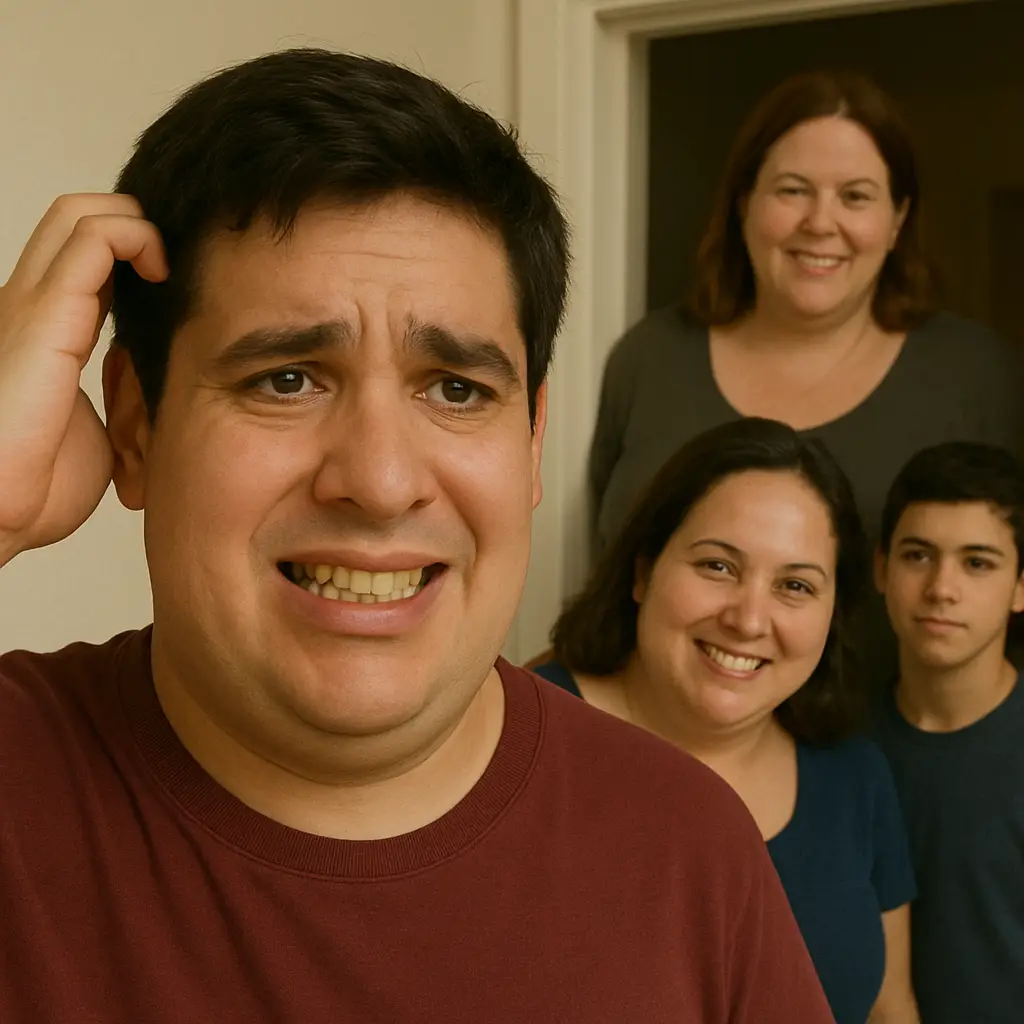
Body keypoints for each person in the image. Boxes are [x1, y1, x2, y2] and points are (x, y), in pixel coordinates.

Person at [0, 49, 834, 1022]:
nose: (382, 481)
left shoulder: (686, 845)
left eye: (455, 389)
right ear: (138, 427)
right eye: (287, 377)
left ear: (531, 443)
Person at [587, 69, 1023, 679]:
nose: (820, 222)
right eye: (792, 190)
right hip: (650, 742)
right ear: (744, 204)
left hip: (880, 755)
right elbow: (602, 576)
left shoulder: (977, 373)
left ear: (897, 219)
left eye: (856, 196)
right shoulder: (649, 356)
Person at [534, 418, 919, 1024]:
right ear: (643, 571)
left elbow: (889, 1009)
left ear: (832, 617)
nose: (748, 619)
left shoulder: (855, 777)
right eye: (718, 567)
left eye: (795, 585)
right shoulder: (515, 744)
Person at [873, 442, 1024, 1023]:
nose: (942, 588)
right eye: (918, 556)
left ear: (1019, 587)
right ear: (881, 568)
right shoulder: (835, 748)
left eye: (978, 562)